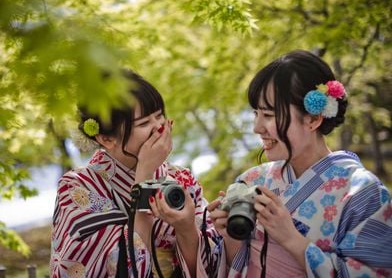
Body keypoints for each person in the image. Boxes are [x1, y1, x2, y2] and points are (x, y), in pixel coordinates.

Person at [189, 50, 392, 277]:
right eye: (256, 113)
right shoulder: (252, 181)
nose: (257, 127)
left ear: (314, 119)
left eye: (268, 115)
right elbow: (235, 264)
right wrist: (229, 238)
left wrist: (291, 239)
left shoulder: (363, 192)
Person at [49, 70, 208, 277]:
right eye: (143, 123)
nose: (158, 127)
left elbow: (209, 264)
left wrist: (186, 229)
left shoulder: (180, 178)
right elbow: (100, 265)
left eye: (159, 116)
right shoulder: (78, 186)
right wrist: (144, 175)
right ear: (106, 139)